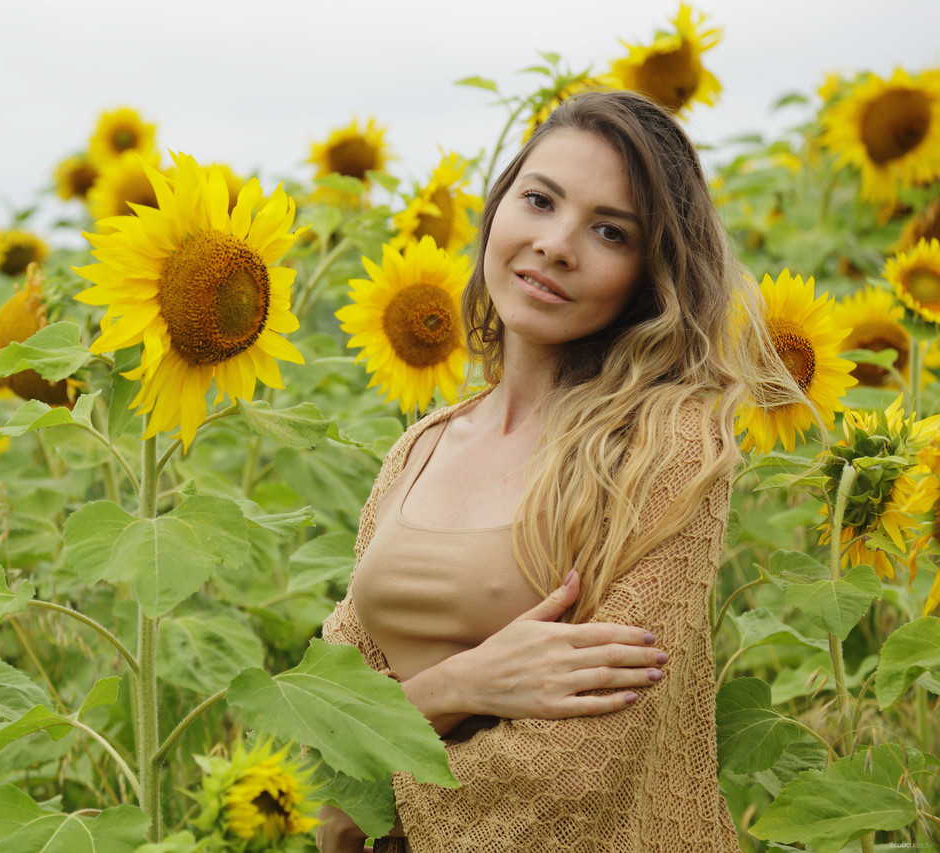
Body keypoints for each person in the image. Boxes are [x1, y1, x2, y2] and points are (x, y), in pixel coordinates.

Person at [315, 89, 808, 852]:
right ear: (499, 205)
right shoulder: (420, 447)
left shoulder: (662, 448)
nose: (556, 244)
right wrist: (461, 685)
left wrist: (370, 781)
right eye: (540, 200)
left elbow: (578, 769)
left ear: (649, 275)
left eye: (610, 231)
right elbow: (331, 710)